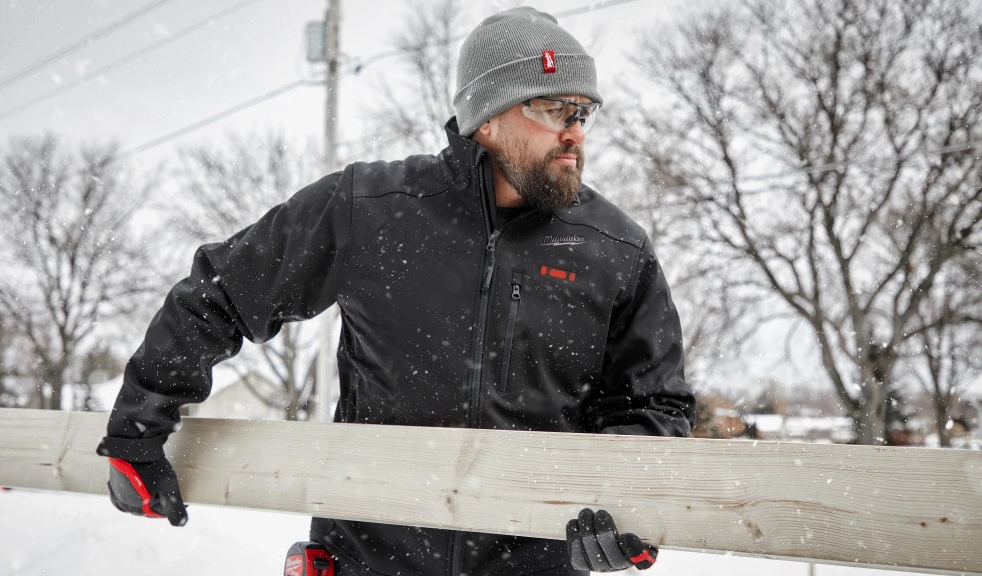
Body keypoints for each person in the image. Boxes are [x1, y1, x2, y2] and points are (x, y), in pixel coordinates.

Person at [96, 6, 694, 575]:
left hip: (534, 565)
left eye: (583, 113)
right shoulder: (372, 210)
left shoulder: (615, 249)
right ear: (486, 117)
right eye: (553, 108)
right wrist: (138, 428)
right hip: (368, 558)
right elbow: (221, 293)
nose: (574, 133)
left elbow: (654, 408)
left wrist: (630, 512)